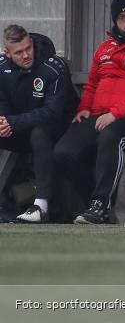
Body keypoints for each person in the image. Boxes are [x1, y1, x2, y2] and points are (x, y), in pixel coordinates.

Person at [54, 0, 125, 224]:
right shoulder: (105, 48)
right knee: (63, 153)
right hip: (97, 115)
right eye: (122, 17)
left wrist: (115, 113)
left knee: (110, 138)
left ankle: (99, 206)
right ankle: (97, 198)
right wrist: (84, 107)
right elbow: (93, 83)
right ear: (115, 21)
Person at [0, 25, 78, 223]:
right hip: (19, 128)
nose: (26, 55)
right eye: (19, 52)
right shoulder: (1, 68)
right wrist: (3, 122)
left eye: (28, 48)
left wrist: (13, 122)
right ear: (7, 53)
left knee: (39, 133)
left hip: (58, 129)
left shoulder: (54, 66)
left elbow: (53, 112)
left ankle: (41, 206)